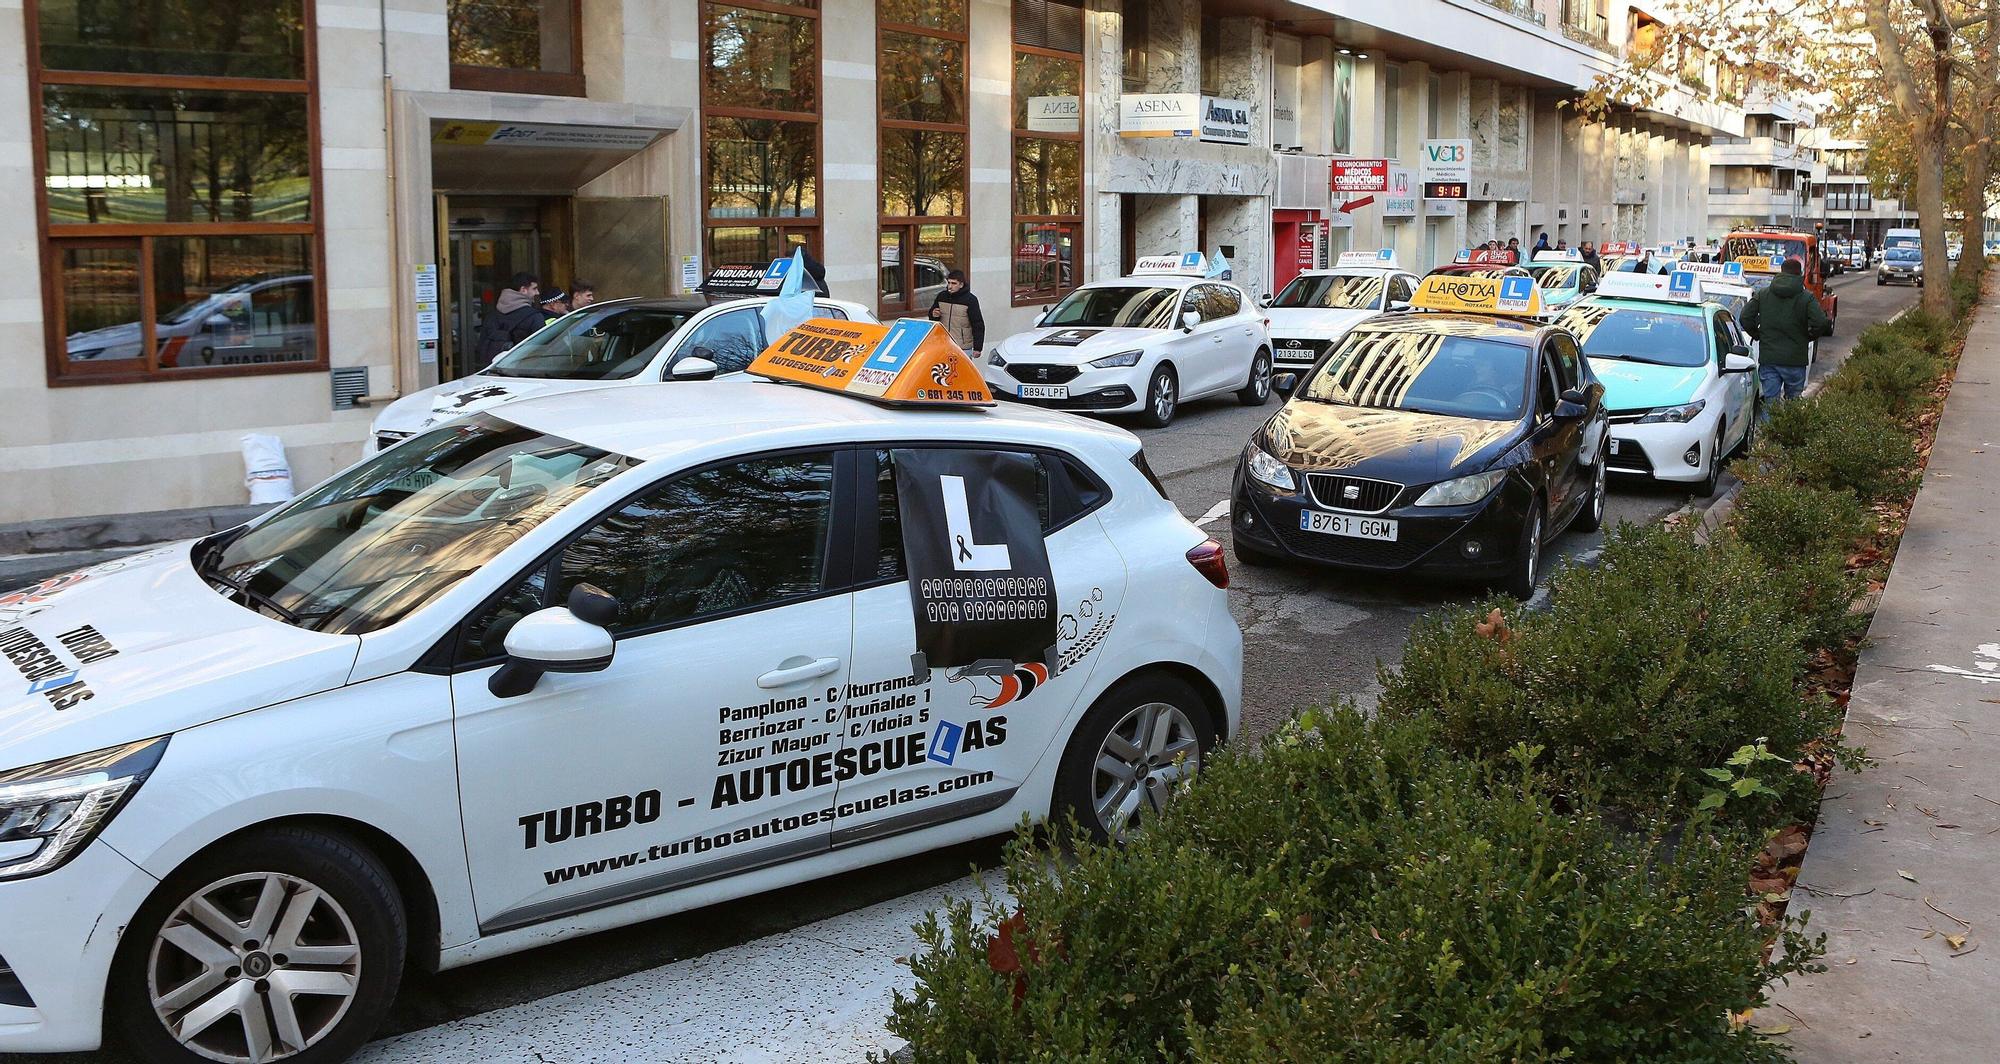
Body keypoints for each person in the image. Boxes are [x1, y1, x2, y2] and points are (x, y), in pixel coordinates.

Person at [1741, 257, 1830, 417]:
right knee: (1793, 406)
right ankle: (1789, 431)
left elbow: (1745, 317)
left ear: (1781, 272)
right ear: (1800, 274)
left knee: (1770, 405)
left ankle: (1769, 433)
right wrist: (1808, 337)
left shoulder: (1763, 294)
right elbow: (1821, 322)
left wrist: (1757, 334)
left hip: (1770, 359)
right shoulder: (1806, 297)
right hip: (1795, 360)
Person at [472, 272, 542, 371]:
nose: (537, 293)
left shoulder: (492, 316)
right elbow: (542, 350)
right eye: (534, 289)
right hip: (525, 373)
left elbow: (481, 347)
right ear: (523, 290)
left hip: (492, 372)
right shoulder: (534, 317)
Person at [928, 269, 985, 356]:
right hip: (943, 344)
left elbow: (978, 324)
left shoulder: (970, 300)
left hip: (963, 347)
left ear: (961, 285)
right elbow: (933, 318)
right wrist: (934, 314)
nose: (950, 286)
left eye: (954, 283)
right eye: (949, 283)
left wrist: (978, 348)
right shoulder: (941, 296)